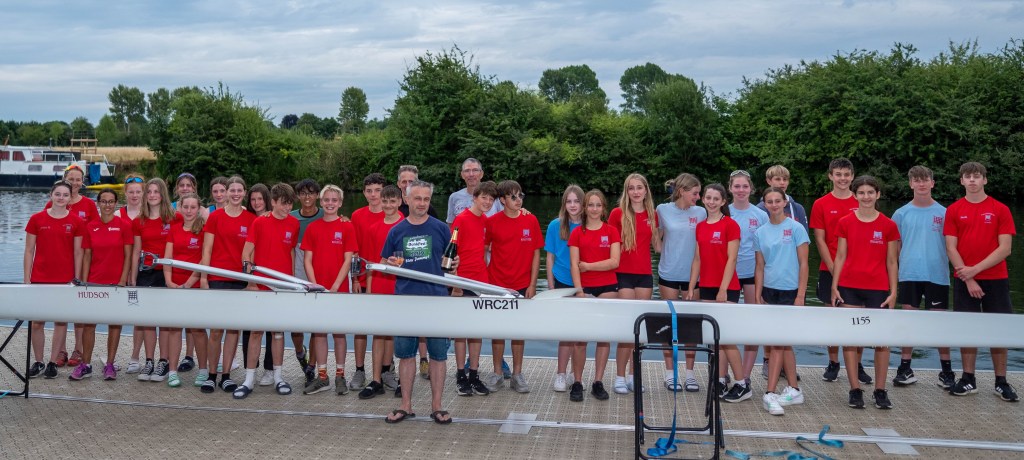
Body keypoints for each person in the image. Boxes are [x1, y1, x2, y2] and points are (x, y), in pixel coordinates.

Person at [943, 162, 1018, 402]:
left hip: (995, 279)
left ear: (985, 180)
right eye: (968, 177)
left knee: (998, 331)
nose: (972, 180)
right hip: (965, 280)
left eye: (977, 177)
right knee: (968, 331)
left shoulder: (1000, 209)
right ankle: (967, 379)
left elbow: (1005, 248)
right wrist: (969, 277)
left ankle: (1001, 381)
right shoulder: (954, 209)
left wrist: (976, 270)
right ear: (962, 181)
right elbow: (950, 247)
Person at [382, 180, 455, 425]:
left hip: (436, 300)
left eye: (426, 199)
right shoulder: (396, 231)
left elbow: (452, 260)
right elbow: (384, 260)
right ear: (407, 199)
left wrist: (455, 265)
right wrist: (390, 263)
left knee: (438, 356)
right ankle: (406, 405)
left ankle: (437, 406)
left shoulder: (442, 229)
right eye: (417, 198)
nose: (422, 203)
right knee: (405, 355)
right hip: (406, 300)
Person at [830, 175, 900, 409]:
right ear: (855, 194)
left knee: (882, 342)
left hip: (878, 288)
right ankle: (855, 389)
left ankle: (880, 390)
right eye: (861, 192)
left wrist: (893, 291)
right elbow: (840, 256)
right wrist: (834, 285)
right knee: (851, 340)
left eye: (871, 192)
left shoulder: (889, 225)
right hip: (849, 287)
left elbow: (892, 262)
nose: (866, 196)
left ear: (878, 195)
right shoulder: (845, 222)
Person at [234, 183, 301, 399]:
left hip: (281, 286)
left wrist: (290, 282)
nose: (287, 208)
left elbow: (290, 253)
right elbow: (247, 253)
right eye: (283, 203)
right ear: (273, 202)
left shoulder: (293, 223)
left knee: (278, 333)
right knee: (255, 332)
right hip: (260, 285)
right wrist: (251, 282)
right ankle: (248, 379)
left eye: (290, 204)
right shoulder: (259, 222)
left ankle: (279, 377)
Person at [687, 183, 750, 402]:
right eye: (708, 198)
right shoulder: (701, 226)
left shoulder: (730, 225)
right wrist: (691, 286)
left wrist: (723, 288)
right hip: (706, 286)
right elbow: (697, 259)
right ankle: (721, 379)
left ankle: (742, 384)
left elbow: (732, 259)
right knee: (714, 339)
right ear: (703, 199)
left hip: (727, 288)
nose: (711, 202)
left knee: (727, 339)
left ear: (723, 202)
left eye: (716, 199)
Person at [810, 158, 870, 385]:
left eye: (846, 174)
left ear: (852, 176)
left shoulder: (863, 200)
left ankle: (858, 363)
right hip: (830, 268)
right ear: (830, 176)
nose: (843, 178)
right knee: (834, 319)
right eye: (838, 174)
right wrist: (834, 268)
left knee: (859, 320)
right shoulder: (821, 203)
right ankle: (834, 362)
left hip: (859, 271)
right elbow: (820, 239)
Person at [891, 166, 952, 388]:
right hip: (909, 274)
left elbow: (952, 245)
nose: (922, 183)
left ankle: (946, 371)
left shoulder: (945, 213)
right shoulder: (900, 213)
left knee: (939, 325)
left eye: (926, 179)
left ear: (932, 183)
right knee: (909, 323)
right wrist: (900, 266)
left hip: (937, 275)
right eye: (917, 180)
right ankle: (905, 368)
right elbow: (894, 246)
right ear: (911, 184)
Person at [754, 187, 809, 415]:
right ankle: (794, 389)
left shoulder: (796, 228)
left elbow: (804, 264)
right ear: (764, 204)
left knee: (778, 343)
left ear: (785, 202)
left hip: (790, 291)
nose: (774, 204)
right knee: (782, 343)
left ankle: (769, 393)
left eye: (778, 200)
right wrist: (758, 294)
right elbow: (759, 266)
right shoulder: (760, 232)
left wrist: (800, 296)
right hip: (769, 291)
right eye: (770, 201)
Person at [484, 180, 542, 394]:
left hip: (522, 285)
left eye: (520, 196)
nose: (518, 200)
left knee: (518, 331)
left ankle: (517, 374)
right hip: (496, 284)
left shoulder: (531, 220)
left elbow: (537, 253)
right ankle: (498, 373)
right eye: (513, 197)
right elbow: (484, 249)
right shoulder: (492, 222)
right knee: (497, 331)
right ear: (502, 200)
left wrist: (533, 284)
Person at [301, 185, 358, 395]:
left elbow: (348, 259)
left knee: (339, 332)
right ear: (321, 202)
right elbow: (307, 260)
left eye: (334, 200)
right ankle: (322, 376)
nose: (330, 203)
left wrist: (335, 286)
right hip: (318, 289)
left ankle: (340, 375)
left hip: (339, 288)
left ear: (340, 203)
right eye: (327, 200)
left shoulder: (346, 227)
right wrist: (316, 284)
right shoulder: (313, 228)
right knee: (319, 332)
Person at [199, 176, 253, 394]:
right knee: (216, 330)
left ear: (244, 193)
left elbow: (251, 254)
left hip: (239, 280)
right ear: (227, 193)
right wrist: (204, 277)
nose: (236, 193)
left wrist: (250, 281)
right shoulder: (215, 217)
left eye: (240, 190)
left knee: (233, 330)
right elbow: (207, 250)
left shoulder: (251, 219)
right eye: (232, 190)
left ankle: (227, 376)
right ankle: (212, 375)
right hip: (217, 278)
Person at [25, 180, 84, 379]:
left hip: (65, 280)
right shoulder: (36, 219)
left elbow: (78, 253)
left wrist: (77, 279)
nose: (61, 198)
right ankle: (39, 361)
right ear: (51, 195)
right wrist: (27, 280)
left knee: (60, 322)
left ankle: (52, 362)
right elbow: (28, 250)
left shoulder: (76, 221)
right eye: (57, 194)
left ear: (70, 198)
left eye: (65, 195)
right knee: (36, 323)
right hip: (40, 278)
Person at [608, 173, 659, 395]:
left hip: (645, 275)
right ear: (626, 191)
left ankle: (633, 376)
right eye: (631, 188)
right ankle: (619, 376)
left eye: (640, 188)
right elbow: (608, 241)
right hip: (623, 274)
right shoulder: (617, 213)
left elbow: (658, 246)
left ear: (646, 190)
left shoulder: (653, 214)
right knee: (626, 328)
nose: (636, 192)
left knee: (639, 330)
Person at [43, 164, 98, 369]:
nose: (74, 183)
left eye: (78, 179)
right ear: (64, 179)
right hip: (61, 261)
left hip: (82, 259)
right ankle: (61, 350)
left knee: (78, 307)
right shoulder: (56, 200)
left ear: (82, 182)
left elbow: (94, 233)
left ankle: (78, 349)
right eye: (71, 179)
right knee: (61, 310)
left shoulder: (89, 205)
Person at [568, 189, 620, 402]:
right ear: (584, 208)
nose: (594, 209)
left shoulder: (612, 231)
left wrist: (588, 266)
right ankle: (578, 382)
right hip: (585, 289)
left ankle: (598, 382)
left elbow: (614, 262)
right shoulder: (577, 233)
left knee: (603, 338)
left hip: (608, 286)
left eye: (598, 205)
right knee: (580, 340)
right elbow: (574, 264)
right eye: (591, 205)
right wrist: (579, 290)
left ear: (603, 208)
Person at [656, 173, 707, 393]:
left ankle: (689, 374)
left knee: (690, 325)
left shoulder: (701, 212)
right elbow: (656, 242)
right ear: (682, 191)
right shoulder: (662, 210)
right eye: (695, 193)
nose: (698, 197)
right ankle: (670, 374)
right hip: (668, 272)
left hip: (692, 277)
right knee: (669, 324)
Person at [78, 189, 132, 381]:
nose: (107, 205)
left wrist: (123, 280)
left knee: (115, 325)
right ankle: (85, 364)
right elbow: (86, 257)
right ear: (98, 203)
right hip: (94, 282)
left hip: (116, 283)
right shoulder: (90, 226)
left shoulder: (124, 225)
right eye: (103, 201)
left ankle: (110, 364)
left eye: (111, 202)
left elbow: (128, 256)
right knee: (88, 325)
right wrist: (85, 282)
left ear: (116, 203)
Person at [129, 178, 180, 383]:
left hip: (167, 274)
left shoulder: (173, 219)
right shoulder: (138, 221)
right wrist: (132, 277)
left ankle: (164, 361)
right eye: (148, 191)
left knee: (165, 321)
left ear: (163, 195)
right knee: (147, 321)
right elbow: (135, 252)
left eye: (156, 191)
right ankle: (149, 360)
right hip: (146, 273)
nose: (151, 195)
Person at [451, 181, 499, 396]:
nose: (487, 202)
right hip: (462, 281)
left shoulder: (486, 221)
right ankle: (460, 375)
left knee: (477, 332)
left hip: (481, 281)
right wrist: (454, 285)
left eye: (491, 199)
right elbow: (450, 254)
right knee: (461, 331)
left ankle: (474, 373)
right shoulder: (460, 220)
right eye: (483, 198)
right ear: (475, 197)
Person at [358, 185, 405, 399]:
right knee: (378, 333)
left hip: (400, 286)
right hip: (378, 284)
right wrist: (368, 290)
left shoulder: (406, 225)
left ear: (400, 202)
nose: (388, 205)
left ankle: (393, 375)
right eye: (384, 202)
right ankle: (376, 379)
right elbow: (370, 262)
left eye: (392, 201)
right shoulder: (374, 228)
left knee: (396, 332)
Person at [160, 192, 207, 388]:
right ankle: (172, 371)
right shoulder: (174, 229)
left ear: (199, 209)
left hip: (193, 287)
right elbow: (167, 259)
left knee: (197, 329)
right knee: (174, 329)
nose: (188, 211)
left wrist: (189, 283)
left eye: (192, 207)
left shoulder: (204, 231)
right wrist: (170, 283)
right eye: (185, 207)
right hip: (175, 287)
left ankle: (204, 370)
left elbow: (204, 261)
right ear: (179, 208)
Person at [728, 170, 770, 384]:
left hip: (753, 274)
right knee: (727, 325)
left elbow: (764, 249)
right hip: (729, 274)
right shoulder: (725, 212)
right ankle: (724, 373)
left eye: (745, 186)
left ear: (751, 189)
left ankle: (744, 376)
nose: (741, 190)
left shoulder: (760, 215)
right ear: (730, 188)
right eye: (737, 186)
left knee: (752, 326)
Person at [349, 173, 389, 390]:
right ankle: (359, 370)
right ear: (364, 193)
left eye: (378, 190)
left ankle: (385, 370)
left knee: (386, 328)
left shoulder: (393, 215)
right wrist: (355, 277)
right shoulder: (357, 215)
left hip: (387, 280)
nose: (374, 195)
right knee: (361, 326)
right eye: (369, 191)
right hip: (363, 279)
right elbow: (353, 251)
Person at [544, 185, 584, 393]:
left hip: (584, 283)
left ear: (583, 203)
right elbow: (549, 257)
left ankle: (576, 376)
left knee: (581, 332)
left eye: (576, 201)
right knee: (565, 332)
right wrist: (550, 285)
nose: (573, 205)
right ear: (564, 204)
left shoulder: (589, 225)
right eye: (569, 201)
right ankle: (561, 373)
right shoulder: (555, 226)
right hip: (561, 281)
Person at [283, 178, 323, 382]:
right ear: (298, 197)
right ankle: (300, 352)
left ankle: (312, 367)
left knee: (317, 322)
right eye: (303, 193)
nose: (307, 197)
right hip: (295, 267)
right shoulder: (290, 217)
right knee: (296, 323)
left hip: (319, 266)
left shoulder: (326, 215)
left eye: (311, 193)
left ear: (317, 195)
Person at [120, 175, 148, 375]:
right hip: (119, 268)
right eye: (131, 192)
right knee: (117, 316)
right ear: (125, 193)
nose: (135, 195)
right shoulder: (116, 213)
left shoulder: (149, 214)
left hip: (141, 270)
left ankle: (136, 357)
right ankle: (111, 357)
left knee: (142, 316)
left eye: (139, 191)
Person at [447, 158, 503, 222]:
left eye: (475, 170)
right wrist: (455, 231)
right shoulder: (454, 197)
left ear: (481, 174)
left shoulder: (495, 195)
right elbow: (452, 225)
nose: (471, 174)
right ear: (462, 175)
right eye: (467, 171)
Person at [756, 165, 808, 229]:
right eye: (778, 179)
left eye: (785, 179)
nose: (782, 182)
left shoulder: (798, 208)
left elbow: (804, 234)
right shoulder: (759, 209)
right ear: (769, 181)